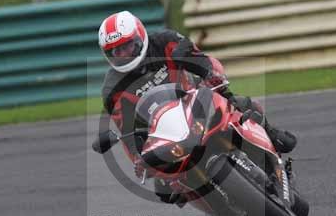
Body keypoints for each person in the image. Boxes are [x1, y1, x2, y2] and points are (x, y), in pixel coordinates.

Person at [98, 11, 297, 203]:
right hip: (164, 132)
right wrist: (139, 159)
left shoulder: (165, 41)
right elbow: (126, 130)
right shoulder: (112, 89)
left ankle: (272, 138)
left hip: (197, 100)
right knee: (164, 189)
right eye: (117, 51)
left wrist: (211, 73)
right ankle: (212, 202)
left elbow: (199, 58)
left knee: (245, 105)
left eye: (127, 46)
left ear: (140, 37)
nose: (124, 54)